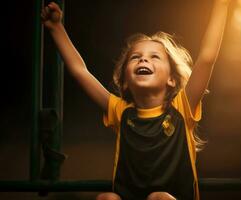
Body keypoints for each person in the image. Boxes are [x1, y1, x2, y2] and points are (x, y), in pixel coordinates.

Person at [41, 0, 231, 199]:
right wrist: (56, 28)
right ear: (124, 82)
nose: (143, 59)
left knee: (159, 197)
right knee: (106, 198)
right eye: (135, 57)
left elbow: (207, 57)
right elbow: (80, 71)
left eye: (154, 57)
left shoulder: (182, 108)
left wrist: (222, 4)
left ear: (172, 79)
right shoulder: (121, 112)